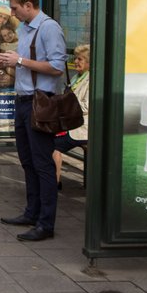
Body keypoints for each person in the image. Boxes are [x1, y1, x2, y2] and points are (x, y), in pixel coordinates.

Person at [0, 0, 67, 242]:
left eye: (14, 7)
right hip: (24, 100)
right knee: (27, 160)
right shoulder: (25, 29)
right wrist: (11, 61)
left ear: (28, 5)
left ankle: (46, 223)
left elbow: (58, 67)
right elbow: (27, 64)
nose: (12, 13)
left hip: (41, 102)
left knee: (42, 164)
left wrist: (20, 61)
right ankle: (32, 212)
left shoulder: (48, 28)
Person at [53, 44, 90, 189]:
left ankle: (55, 182)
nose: (76, 62)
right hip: (71, 123)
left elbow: (87, 106)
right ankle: (54, 180)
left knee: (53, 146)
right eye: (75, 59)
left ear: (89, 62)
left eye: (80, 59)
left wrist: (67, 107)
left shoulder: (91, 81)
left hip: (82, 126)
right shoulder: (76, 77)